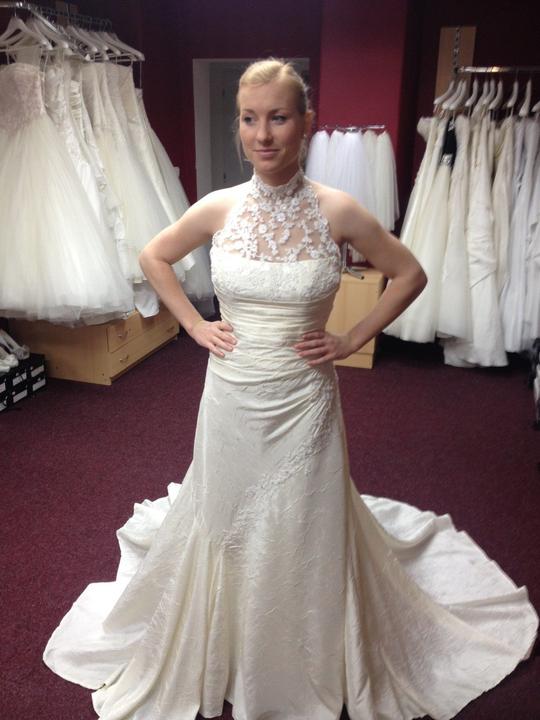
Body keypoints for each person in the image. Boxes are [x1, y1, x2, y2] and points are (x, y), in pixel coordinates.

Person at [44, 59, 537, 720]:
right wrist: (193, 324)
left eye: (278, 117)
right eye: (250, 119)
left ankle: (300, 647)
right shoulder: (219, 206)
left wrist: (352, 336)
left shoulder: (339, 210)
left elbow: (410, 274)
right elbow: (153, 255)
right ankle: (227, 638)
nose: (263, 134)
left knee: (301, 518)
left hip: (304, 397)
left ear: (306, 123)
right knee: (228, 510)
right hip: (231, 392)